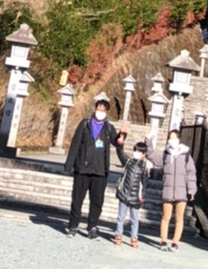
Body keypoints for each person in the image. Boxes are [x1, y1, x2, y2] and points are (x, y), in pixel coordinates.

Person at [63, 93, 128, 238]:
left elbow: (116, 143)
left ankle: (92, 226)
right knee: (77, 198)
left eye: (103, 110)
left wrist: (122, 136)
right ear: (95, 108)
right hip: (82, 168)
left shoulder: (109, 128)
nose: (100, 112)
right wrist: (69, 165)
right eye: (99, 108)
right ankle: (73, 225)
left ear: (106, 112)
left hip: (100, 170)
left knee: (97, 201)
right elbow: (75, 144)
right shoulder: (85, 124)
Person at [157, 129, 197, 252]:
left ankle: (175, 243)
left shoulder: (186, 155)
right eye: (170, 138)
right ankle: (163, 241)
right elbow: (152, 156)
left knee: (179, 218)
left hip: (181, 192)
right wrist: (148, 142)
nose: (172, 140)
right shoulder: (165, 154)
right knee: (165, 217)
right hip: (168, 191)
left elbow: (191, 173)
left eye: (174, 137)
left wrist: (191, 190)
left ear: (178, 139)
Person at [113, 138, 153, 248]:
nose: (136, 153)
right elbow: (120, 153)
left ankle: (134, 237)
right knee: (120, 217)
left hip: (136, 197)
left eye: (139, 151)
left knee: (134, 219)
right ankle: (118, 235)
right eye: (135, 150)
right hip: (124, 194)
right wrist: (120, 142)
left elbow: (145, 183)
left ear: (144, 154)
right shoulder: (128, 161)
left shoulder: (144, 167)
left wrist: (142, 196)